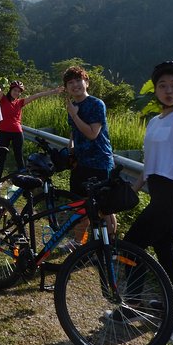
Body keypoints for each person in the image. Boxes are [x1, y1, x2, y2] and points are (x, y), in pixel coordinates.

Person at [106, 61, 173, 344]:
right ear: (156, 90)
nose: (168, 90)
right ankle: (172, 312)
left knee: (132, 246)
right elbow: (150, 162)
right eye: (163, 86)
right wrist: (135, 187)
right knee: (164, 250)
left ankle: (136, 307)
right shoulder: (156, 120)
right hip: (159, 191)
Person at [62, 66, 116, 250]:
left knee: (104, 208)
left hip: (99, 163)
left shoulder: (96, 104)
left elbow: (93, 133)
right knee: (80, 206)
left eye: (78, 80)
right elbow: (73, 132)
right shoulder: (72, 106)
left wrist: (75, 115)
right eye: (70, 83)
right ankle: (78, 243)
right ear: (66, 88)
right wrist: (71, 150)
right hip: (80, 163)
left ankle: (108, 248)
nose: (75, 85)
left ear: (86, 82)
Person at [0, 69, 62, 172]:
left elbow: (37, 96)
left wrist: (53, 92)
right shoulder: (3, 99)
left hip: (17, 133)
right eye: (14, 90)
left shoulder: (20, 102)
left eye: (18, 91)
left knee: (19, 158)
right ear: (10, 90)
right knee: (1, 158)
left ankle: (23, 181)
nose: (16, 93)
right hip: (4, 132)